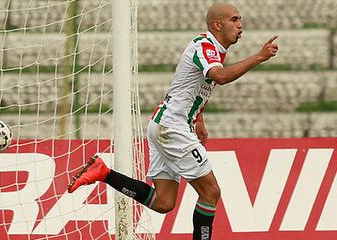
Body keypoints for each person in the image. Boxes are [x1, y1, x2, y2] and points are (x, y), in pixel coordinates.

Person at [68, 2, 278, 239]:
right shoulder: (205, 45)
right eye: (234, 19)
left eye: (240, 19)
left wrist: (199, 119)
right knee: (210, 192)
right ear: (217, 24)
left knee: (164, 202)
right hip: (172, 127)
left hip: (164, 126)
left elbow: (196, 86)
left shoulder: (215, 50)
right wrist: (259, 57)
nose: (240, 25)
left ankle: (103, 172)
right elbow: (219, 77)